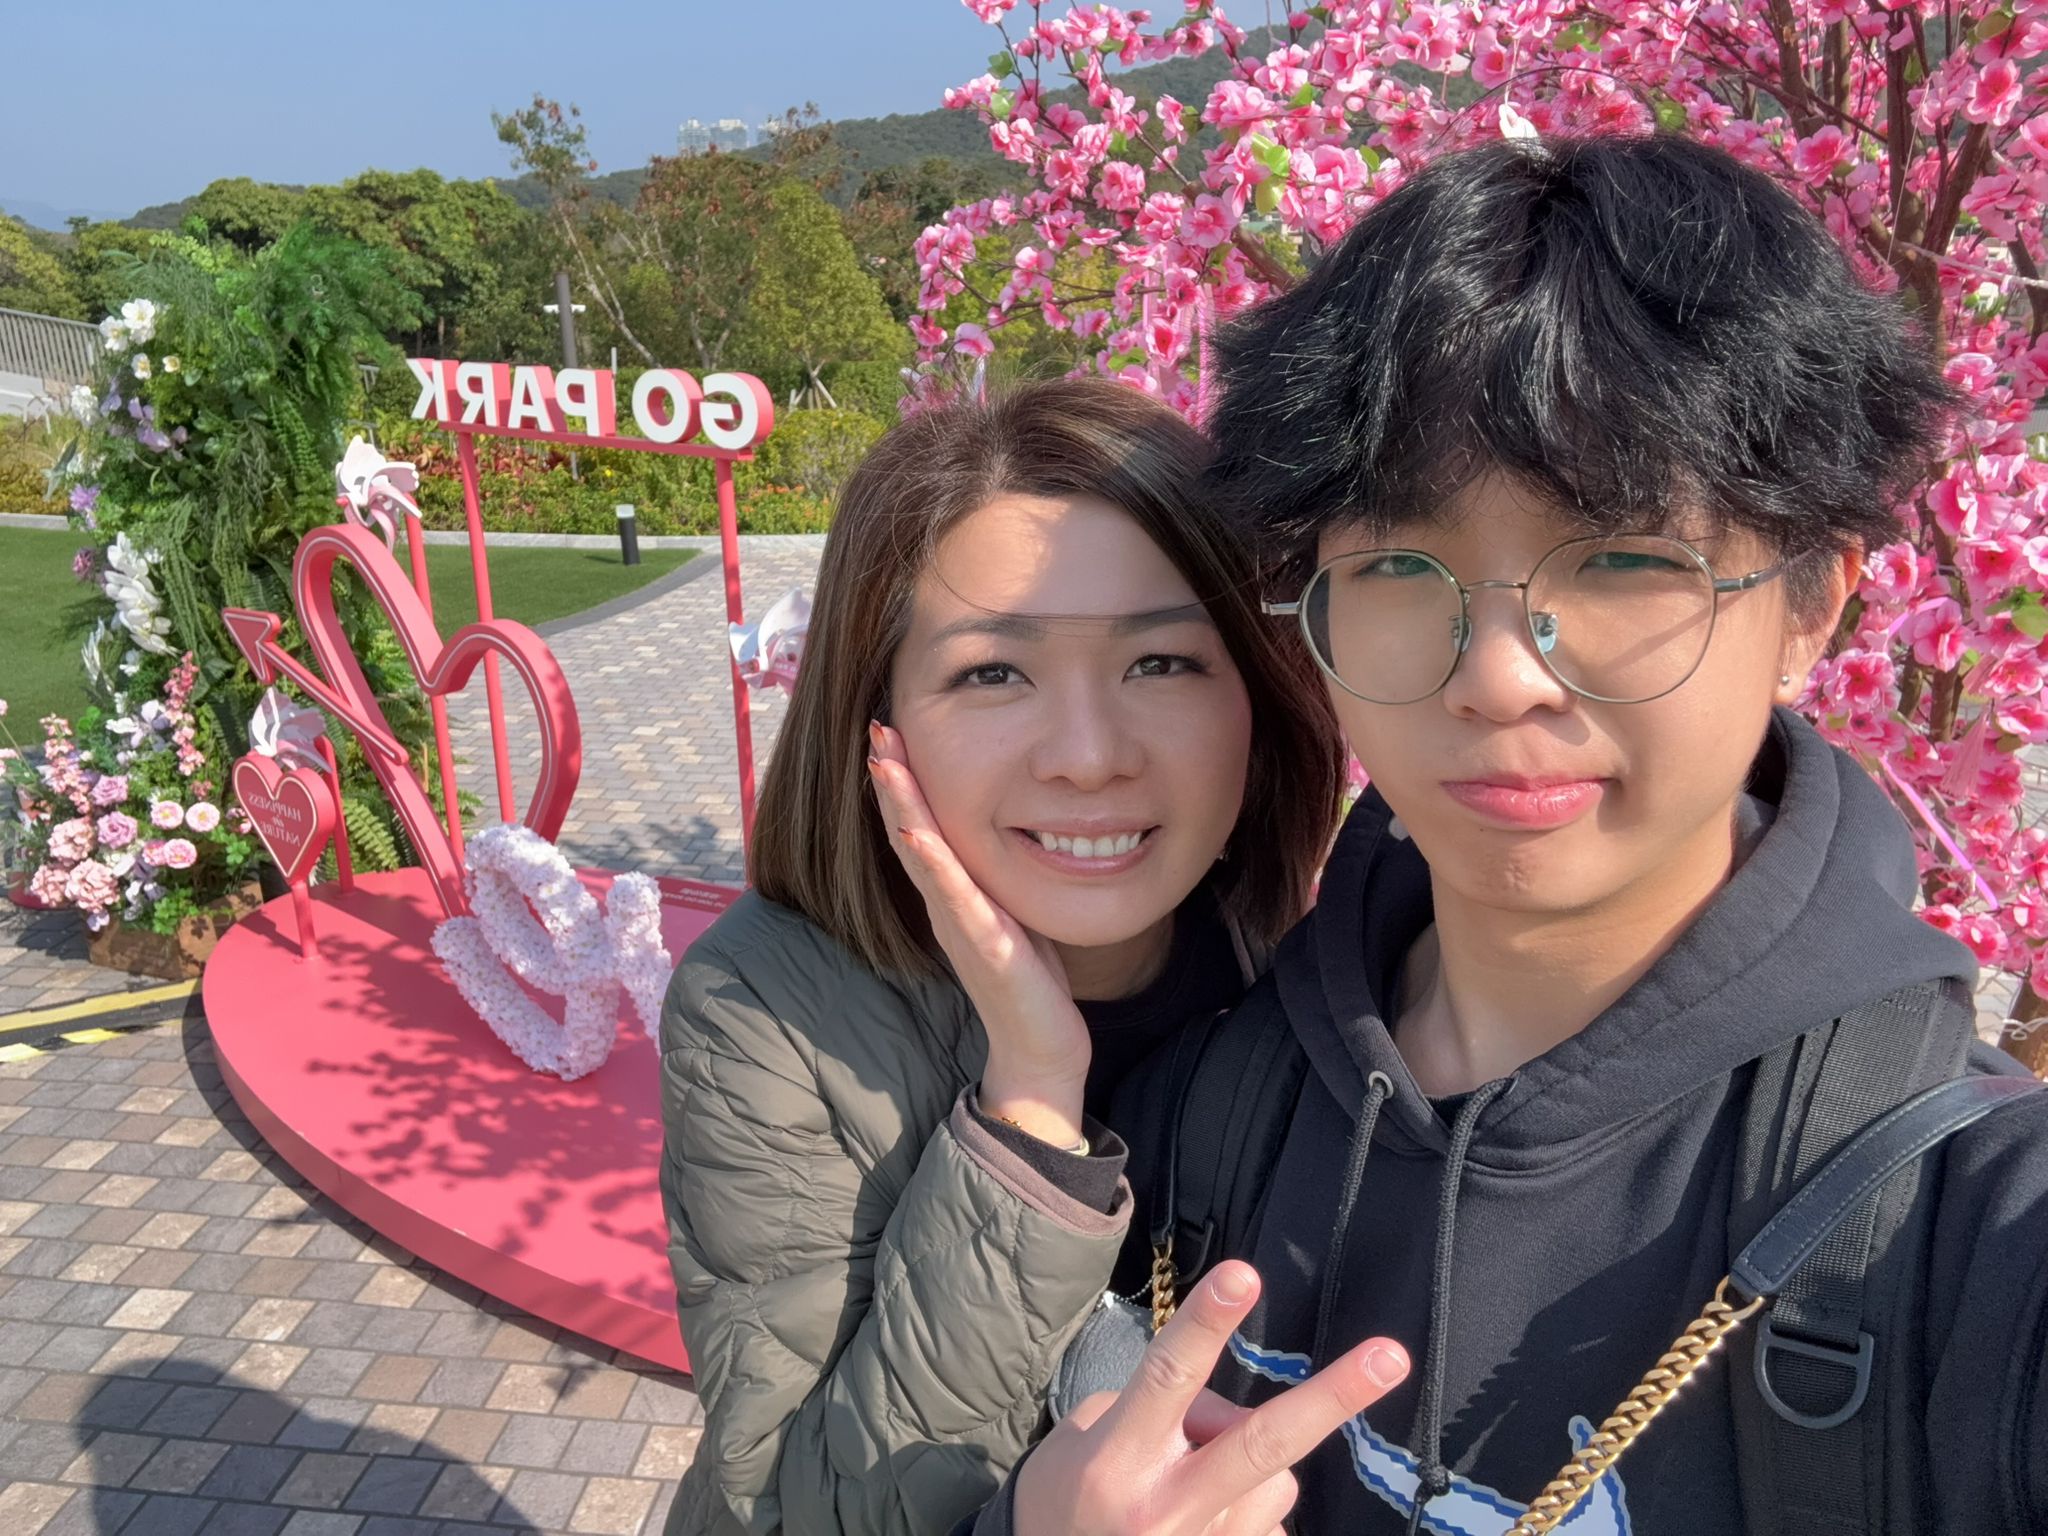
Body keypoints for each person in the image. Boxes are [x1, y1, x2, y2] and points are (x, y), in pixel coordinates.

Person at [971, 135, 2048, 1535]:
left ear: (1810, 606)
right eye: (1397, 564)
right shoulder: (1206, 1103)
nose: (1497, 675)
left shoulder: (1966, 1231)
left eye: (1622, 558)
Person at [658, 377, 1358, 1535]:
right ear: (874, 722)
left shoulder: (1306, 964)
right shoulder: (770, 1013)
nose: (1087, 756)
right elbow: (796, 1510)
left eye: (1162, 662)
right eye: (992, 672)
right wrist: (1029, 1106)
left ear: (1258, 694)